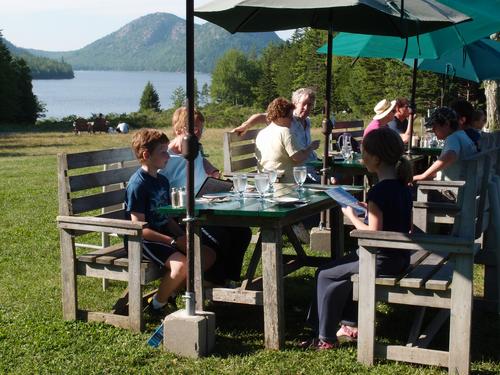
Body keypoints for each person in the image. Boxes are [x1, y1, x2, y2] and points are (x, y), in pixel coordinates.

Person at [300, 127, 413, 350]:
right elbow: (399, 222)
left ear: (377, 158)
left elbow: (374, 236)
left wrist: (351, 216)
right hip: (399, 257)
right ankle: (348, 323)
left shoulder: (378, 192)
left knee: (324, 274)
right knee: (339, 271)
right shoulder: (402, 187)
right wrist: (366, 209)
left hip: (380, 259)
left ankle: (324, 338)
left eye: (364, 153)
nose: (362, 158)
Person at [125, 128, 216, 313]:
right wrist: (173, 241)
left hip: (164, 235)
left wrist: (183, 236)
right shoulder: (137, 185)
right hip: (143, 241)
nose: (168, 156)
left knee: (207, 255)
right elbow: (138, 228)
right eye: (163, 152)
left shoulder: (162, 181)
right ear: (146, 154)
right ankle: (157, 305)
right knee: (182, 265)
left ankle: (172, 290)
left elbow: (166, 218)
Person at [160, 107, 252, 285]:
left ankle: (229, 279)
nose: (198, 133)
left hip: (206, 205)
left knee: (242, 232)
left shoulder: (193, 149)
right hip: (182, 215)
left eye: (200, 129)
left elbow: (201, 161)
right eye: (193, 129)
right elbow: (160, 194)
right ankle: (213, 282)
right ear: (179, 130)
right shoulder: (166, 157)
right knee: (220, 237)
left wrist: (213, 171)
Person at [234, 87, 321, 182]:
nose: (306, 108)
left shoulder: (307, 121)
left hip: (307, 169)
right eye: (304, 104)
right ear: (295, 103)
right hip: (293, 176)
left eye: (310, 105)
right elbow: (265, 116)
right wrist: (245, 126)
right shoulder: (285, 119)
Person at [255, 97, 320, 183]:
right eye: (290, 117)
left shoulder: (262, 133)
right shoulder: (285, 132)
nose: (292, 120)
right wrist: (311, 147)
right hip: (286, 184)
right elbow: (298, 158)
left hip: (266, 181)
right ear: (279, 116)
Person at [413, 107, 477, 183]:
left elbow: (450, 156)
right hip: (463, 185)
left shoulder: (453, 138)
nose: (432, 130)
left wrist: (423, 175)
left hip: (450, 188)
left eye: (435, 126)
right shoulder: (463, 135)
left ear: (446, 124)